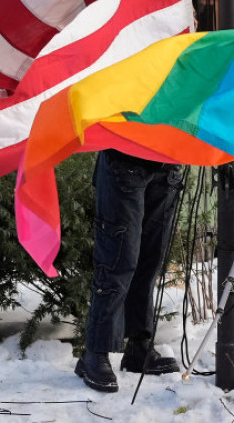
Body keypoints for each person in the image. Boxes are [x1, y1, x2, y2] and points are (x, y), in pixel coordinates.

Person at [75, 148, 183, 393]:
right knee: (117, 261)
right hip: (124, 156)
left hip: (167, 161)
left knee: (150, 262)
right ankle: (94, 352)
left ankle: (139, 348)